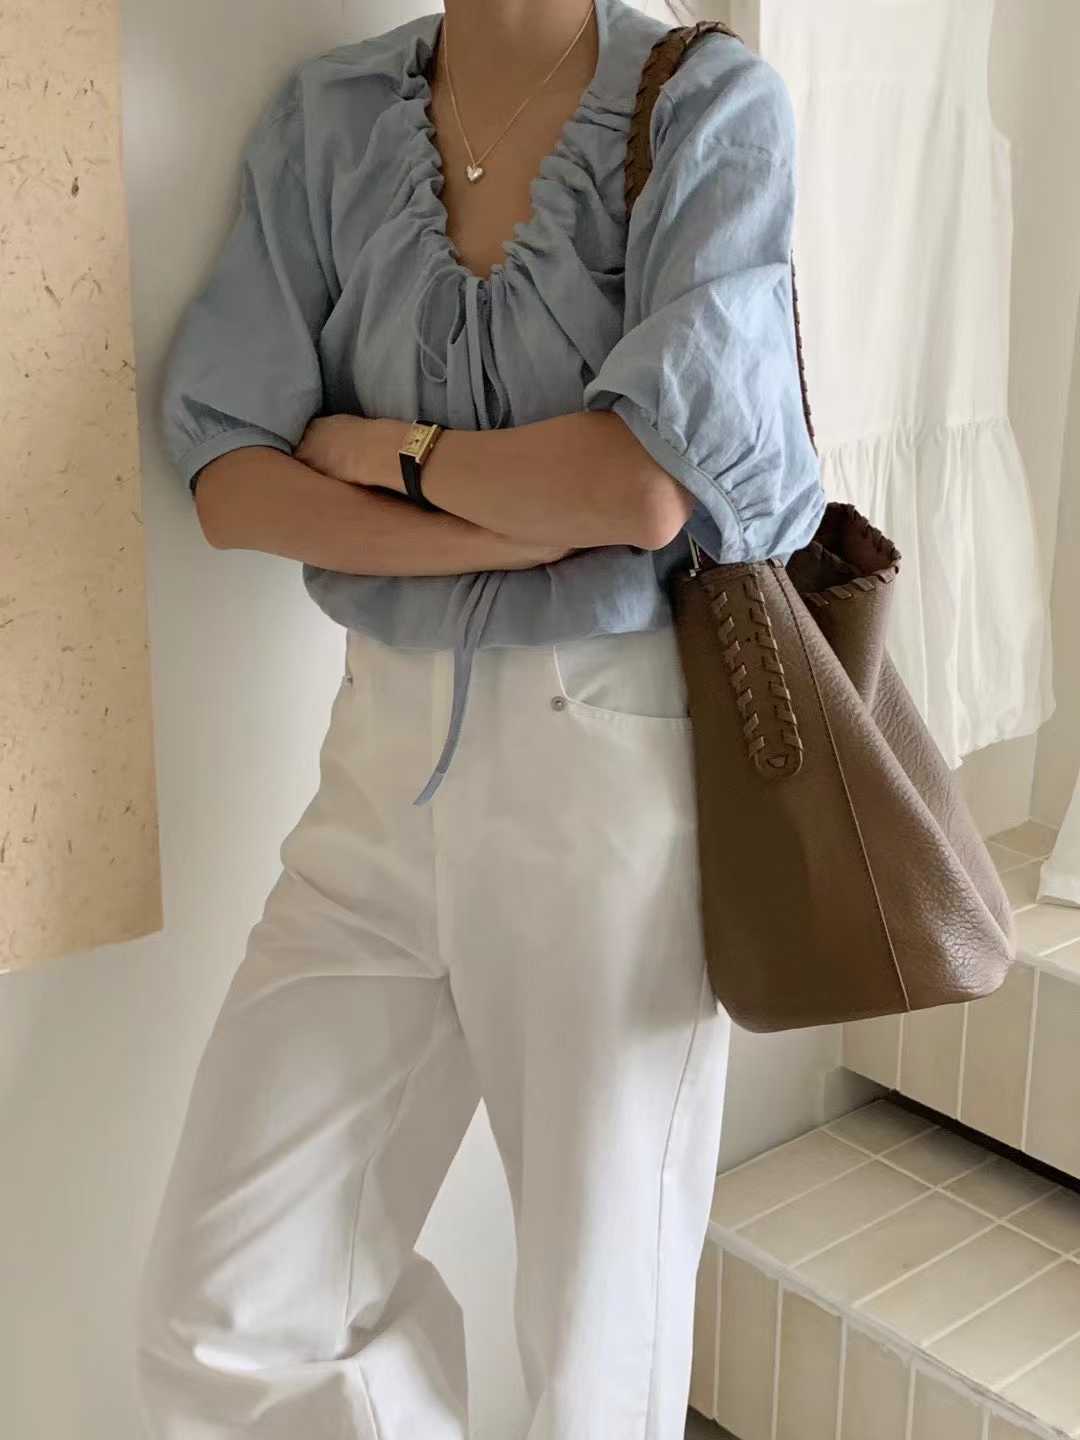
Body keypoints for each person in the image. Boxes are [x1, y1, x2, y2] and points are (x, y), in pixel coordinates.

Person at [134, 0, 825, 1436]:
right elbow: (230, 478)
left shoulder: (706, 107)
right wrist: (520, 516)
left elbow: (643, 487)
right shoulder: (331, 119)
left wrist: (383, 453)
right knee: (224, 1309)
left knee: (595, 1350)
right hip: (377, 771)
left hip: (610, 780)